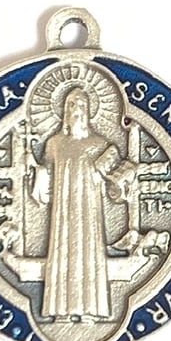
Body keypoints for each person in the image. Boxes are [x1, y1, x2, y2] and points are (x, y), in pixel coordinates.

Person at [36, 88, 115, 321]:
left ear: (89, 111)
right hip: (63, 210)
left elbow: (114, 182)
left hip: (89, 210)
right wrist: (39, 172)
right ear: (64, 111)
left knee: (88, 252)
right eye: (71, 105)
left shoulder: (100, 144)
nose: (76, 110)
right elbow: (46, 170)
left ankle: (90, 310)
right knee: (63, 249)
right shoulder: (55, 144)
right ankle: (60, 310)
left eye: (81, 105)